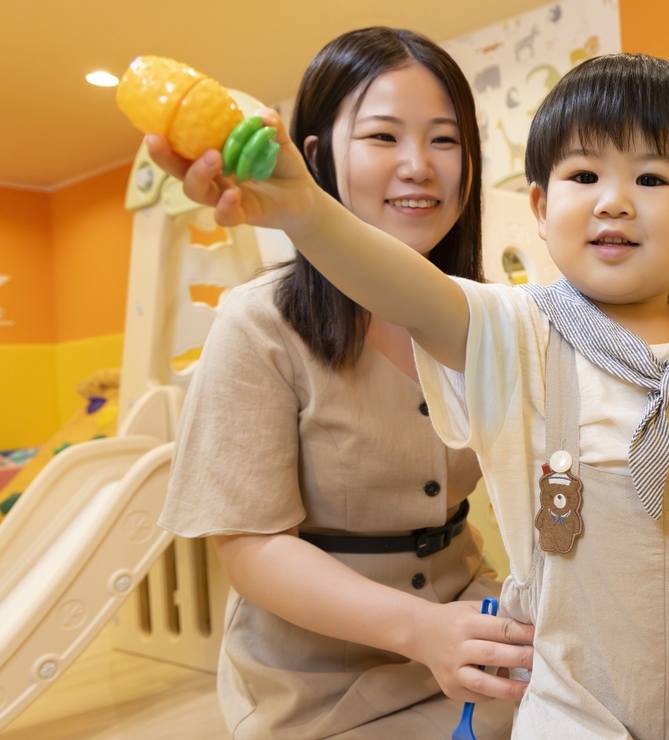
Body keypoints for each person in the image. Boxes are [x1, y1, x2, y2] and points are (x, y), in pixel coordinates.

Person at [154, 52, 669, 739]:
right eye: (585, 178)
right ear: (541, 209)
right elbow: (412, 295)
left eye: (649, 179)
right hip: (578, 699)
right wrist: (305, 212)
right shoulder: (515, 330)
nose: (614, 202)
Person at [155, 27, 532, 740]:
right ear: (317, 157)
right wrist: (422, 630)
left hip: (472, 623)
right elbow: (253, 549)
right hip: (313, 681)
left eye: (445, 141)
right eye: (383, 137)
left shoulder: (488, 316)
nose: (419, 166)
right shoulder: (259, 326)